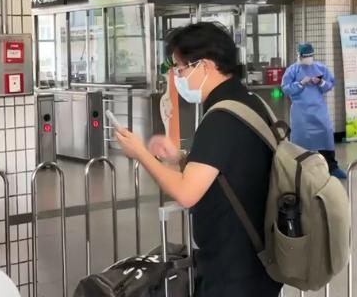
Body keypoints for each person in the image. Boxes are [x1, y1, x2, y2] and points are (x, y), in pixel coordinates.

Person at [115, 22, 282, 297]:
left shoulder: (221, 117)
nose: (178, 77)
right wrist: (179, 157)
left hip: (233, 270)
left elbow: (186, 192)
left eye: (180, 69)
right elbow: (228, 167)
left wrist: (140, 153)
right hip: (257, 259)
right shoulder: (250, 102)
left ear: (204, 66)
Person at [281, 43, 346, 179]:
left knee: (326, 134)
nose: (308, 59)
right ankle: (298, 169)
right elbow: (285, 88)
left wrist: (320, 82)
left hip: (318, 110)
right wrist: (301, 83)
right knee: (301, 140)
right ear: (299, 56)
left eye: (310, 56)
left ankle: (332, 167)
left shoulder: (320, 68)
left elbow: (329, 84)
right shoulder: (292, 70)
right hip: (301, 113)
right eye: (305, 56)